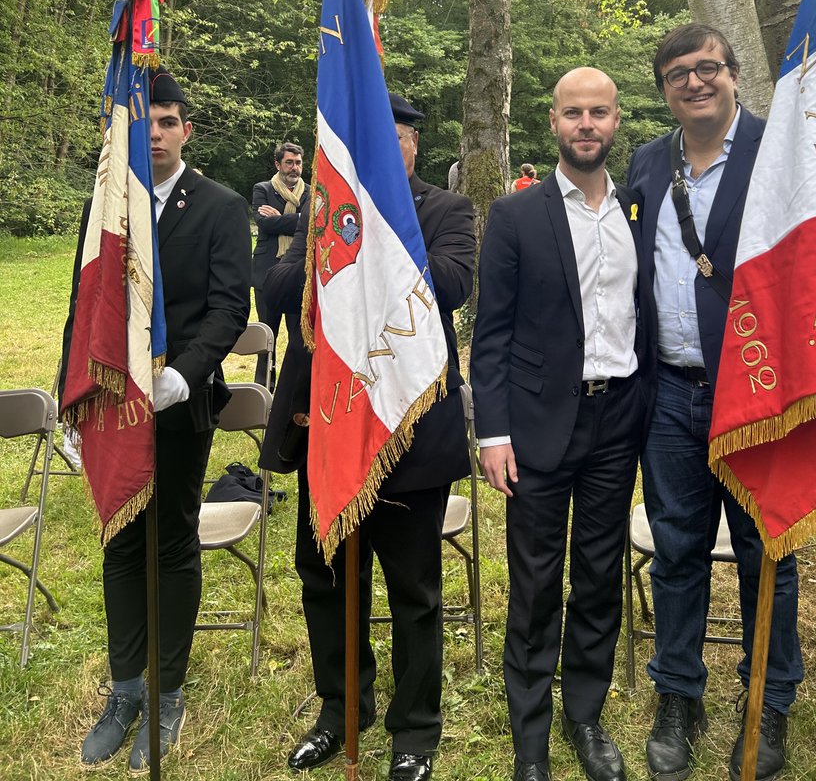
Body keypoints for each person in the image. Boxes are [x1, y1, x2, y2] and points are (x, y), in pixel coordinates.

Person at [260, 92, 476, 781]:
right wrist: (329, 245)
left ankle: (414, 728)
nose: (387, 148)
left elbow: (451, 284)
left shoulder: (447, 211)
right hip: (329, 426)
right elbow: (279, 289)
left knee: (412, 590)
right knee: (326, 579)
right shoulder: (327, 213)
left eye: (398, 138)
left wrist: (379, 238)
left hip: (407, 429)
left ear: (412, 145)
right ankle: (339, 710)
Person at [626, 23, 803, 781]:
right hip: (669, 392)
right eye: (678, 74)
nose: (694, 82)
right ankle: (679, 695)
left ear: (734, 75)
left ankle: (769, 698)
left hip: (760, 394)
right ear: (663, 88)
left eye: (707, 69)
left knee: (768, 553)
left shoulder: (782, 152)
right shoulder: (643, 163)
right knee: (677, 551)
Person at [62, 68, 251, 771]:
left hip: (178, 404)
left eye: (169, 121)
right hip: (112, 409)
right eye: (148, 123)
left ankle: (167, 693)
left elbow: (232, 306)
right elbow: (83, 308)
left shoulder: (220, 205)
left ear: (186, 130)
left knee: (170, 542)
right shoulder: (107, 207)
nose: (159, 134)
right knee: (118, 542)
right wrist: (69, 397)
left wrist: (183, 374)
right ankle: (124, 691)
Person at [470, 67, 655, 781]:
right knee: (537, 581)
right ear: (553, 122)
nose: (586, 124)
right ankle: (530, 736)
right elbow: (491, 334)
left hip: (618, 420)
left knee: (601, 572)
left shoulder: (639, 208)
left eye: (599, 113)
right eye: (573, 113)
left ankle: (585, 712)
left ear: (615, 122)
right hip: (539, 424)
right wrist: (493, 432)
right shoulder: (518, 214)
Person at [252, 142, 308, 386]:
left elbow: (315, 225)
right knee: (267, 337)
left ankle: (294, 388)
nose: (294, 168)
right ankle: (265, 387)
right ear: (278, 164)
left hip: (298, 274)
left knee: (300, 336)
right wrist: (298, 220)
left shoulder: (311, 192)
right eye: (289, 162)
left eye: (298, 163)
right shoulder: (262, 189)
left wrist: (281, 219)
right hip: (266, 273)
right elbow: (264, 224)